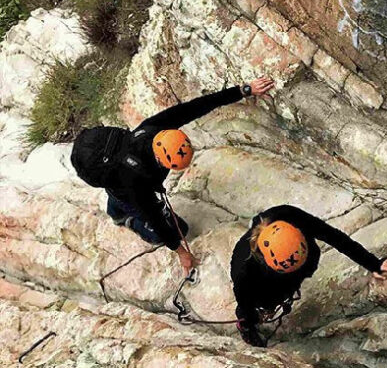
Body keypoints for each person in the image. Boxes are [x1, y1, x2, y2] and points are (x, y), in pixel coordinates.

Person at [71, 78, 275, 275]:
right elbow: (156, 219)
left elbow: (194, 107)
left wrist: (243, 90)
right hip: (126, 188)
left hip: (117, 174)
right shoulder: (136, 181)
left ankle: (115, 206)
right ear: (160, 161)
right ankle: (126, 220)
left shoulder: (154, 128)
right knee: (178, 230)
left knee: (119, 191)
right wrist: (181, 252)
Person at [231, 205, 387, 346]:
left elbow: (335, 238)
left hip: (302, 260)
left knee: (307, 265)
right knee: (265, 301)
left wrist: (374, 263)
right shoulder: (243, 268)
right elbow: (244, 300)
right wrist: (251, 316)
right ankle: (246, 325)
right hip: (265, 279)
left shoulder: (292, 217)